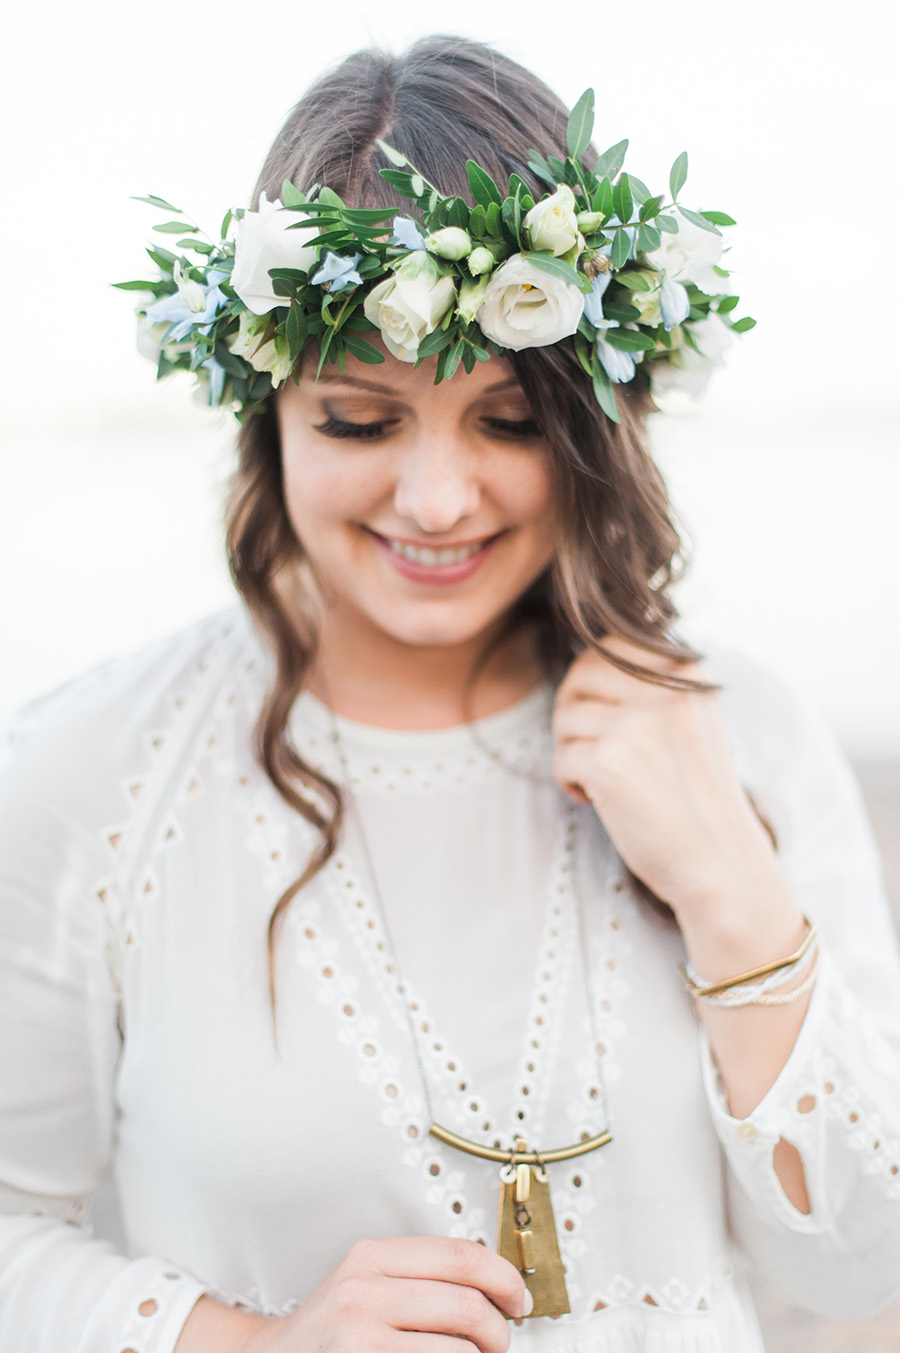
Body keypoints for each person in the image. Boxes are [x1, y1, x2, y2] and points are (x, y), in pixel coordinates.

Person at [2, 34, 900, 1353]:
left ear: (596, 416)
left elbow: (858, 1261)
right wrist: (246, 1343)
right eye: (361, 421)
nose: (435, 500)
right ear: (268, 411)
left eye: (512, 421)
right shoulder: (92, 767)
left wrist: (729, 887)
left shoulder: (746, 736)